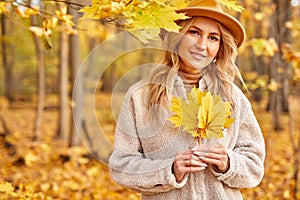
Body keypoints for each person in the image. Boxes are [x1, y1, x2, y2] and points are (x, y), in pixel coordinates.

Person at [109, 0, 265, 199]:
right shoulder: (140, 96)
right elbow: (121, 166)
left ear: (220, 47)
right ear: (177, 36)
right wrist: (169, 169)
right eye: (194, 32)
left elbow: (255, 166)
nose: (202, 45)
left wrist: (229, 163)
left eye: (213, 38)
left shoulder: (234, 98)